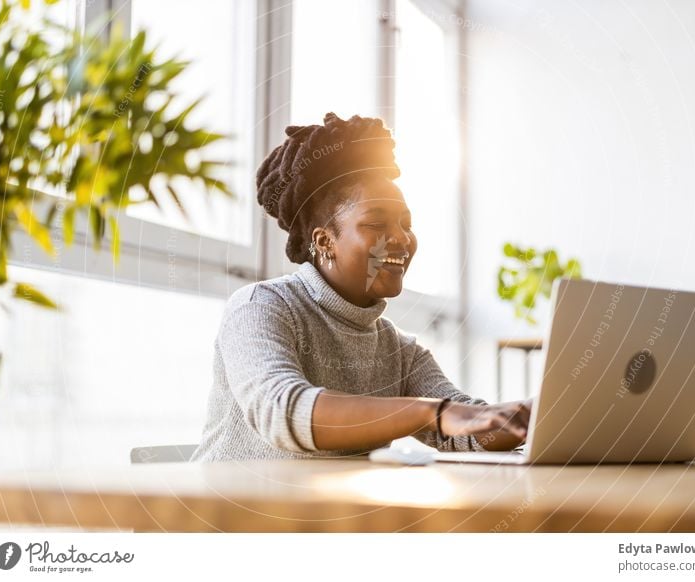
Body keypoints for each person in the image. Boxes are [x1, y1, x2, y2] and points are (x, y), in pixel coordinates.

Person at [191, 112, 531, 462]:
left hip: (326, 514)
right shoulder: (259, 307)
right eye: (376, 223)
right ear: (325, 241)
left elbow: (468, 432)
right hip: (230, 513)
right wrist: (433, 412)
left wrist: (540, 414)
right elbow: (283, 411)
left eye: (406, 224)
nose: (401, 238)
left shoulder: (396, 349)